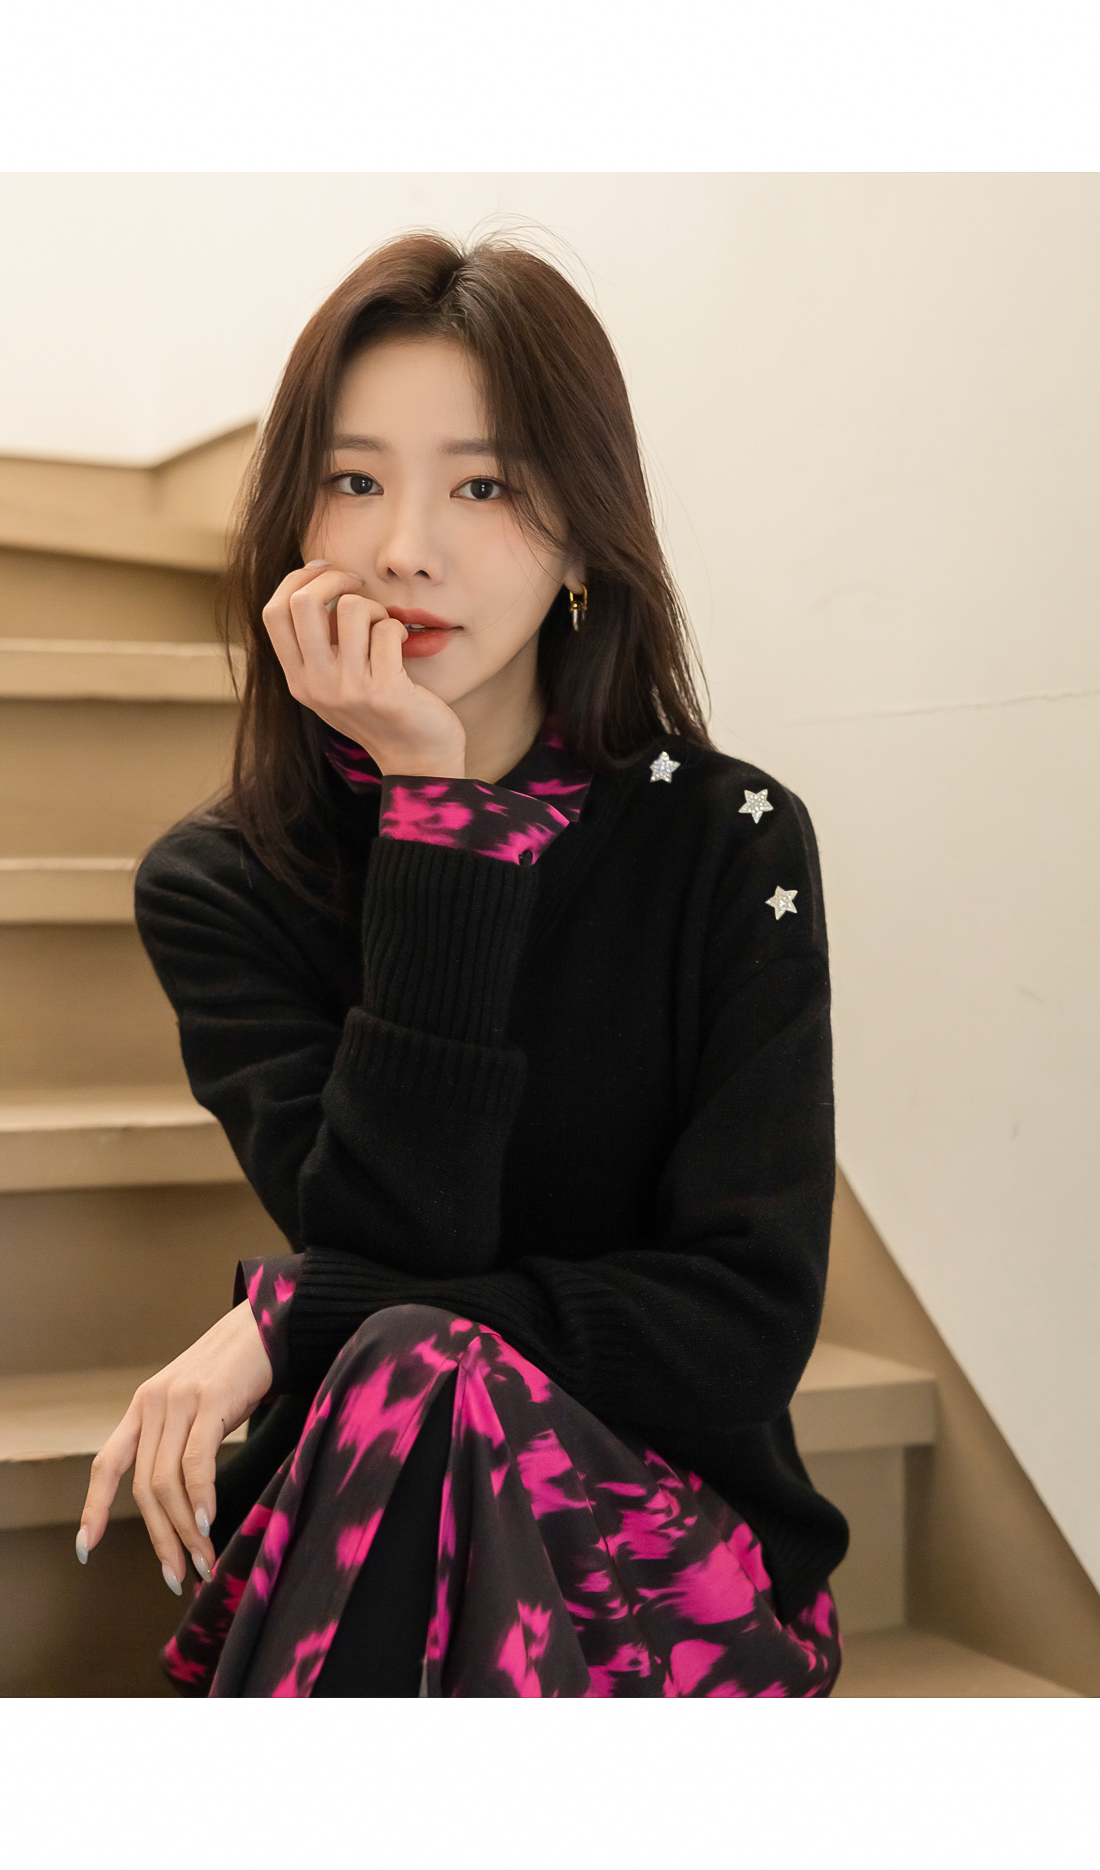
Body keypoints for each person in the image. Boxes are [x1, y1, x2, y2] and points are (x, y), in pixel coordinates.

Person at [76, 231, 849, 1697]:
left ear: (583, 535)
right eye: (354, 480)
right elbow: (402, 1245)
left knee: (419, 1361)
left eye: (482, 485)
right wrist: (436, 814)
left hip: (676, 1551)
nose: (403, 549)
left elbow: (740, 1328)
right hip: (394, 1497)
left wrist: (293, 1314)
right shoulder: (223, 885)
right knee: (419, 1369)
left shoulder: (724, 842)